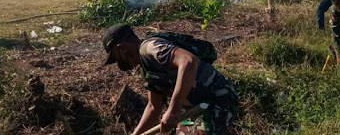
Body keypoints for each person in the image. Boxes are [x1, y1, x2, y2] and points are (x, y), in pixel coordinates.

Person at [102, 24, 238, 135]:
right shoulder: (146, 68)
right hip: (197, 109)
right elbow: (153, 107)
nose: (118, 63)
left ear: (121, 49)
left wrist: (173, 109)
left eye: (115, 58)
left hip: (217, 99)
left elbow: (189, 61)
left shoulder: (150, 48)